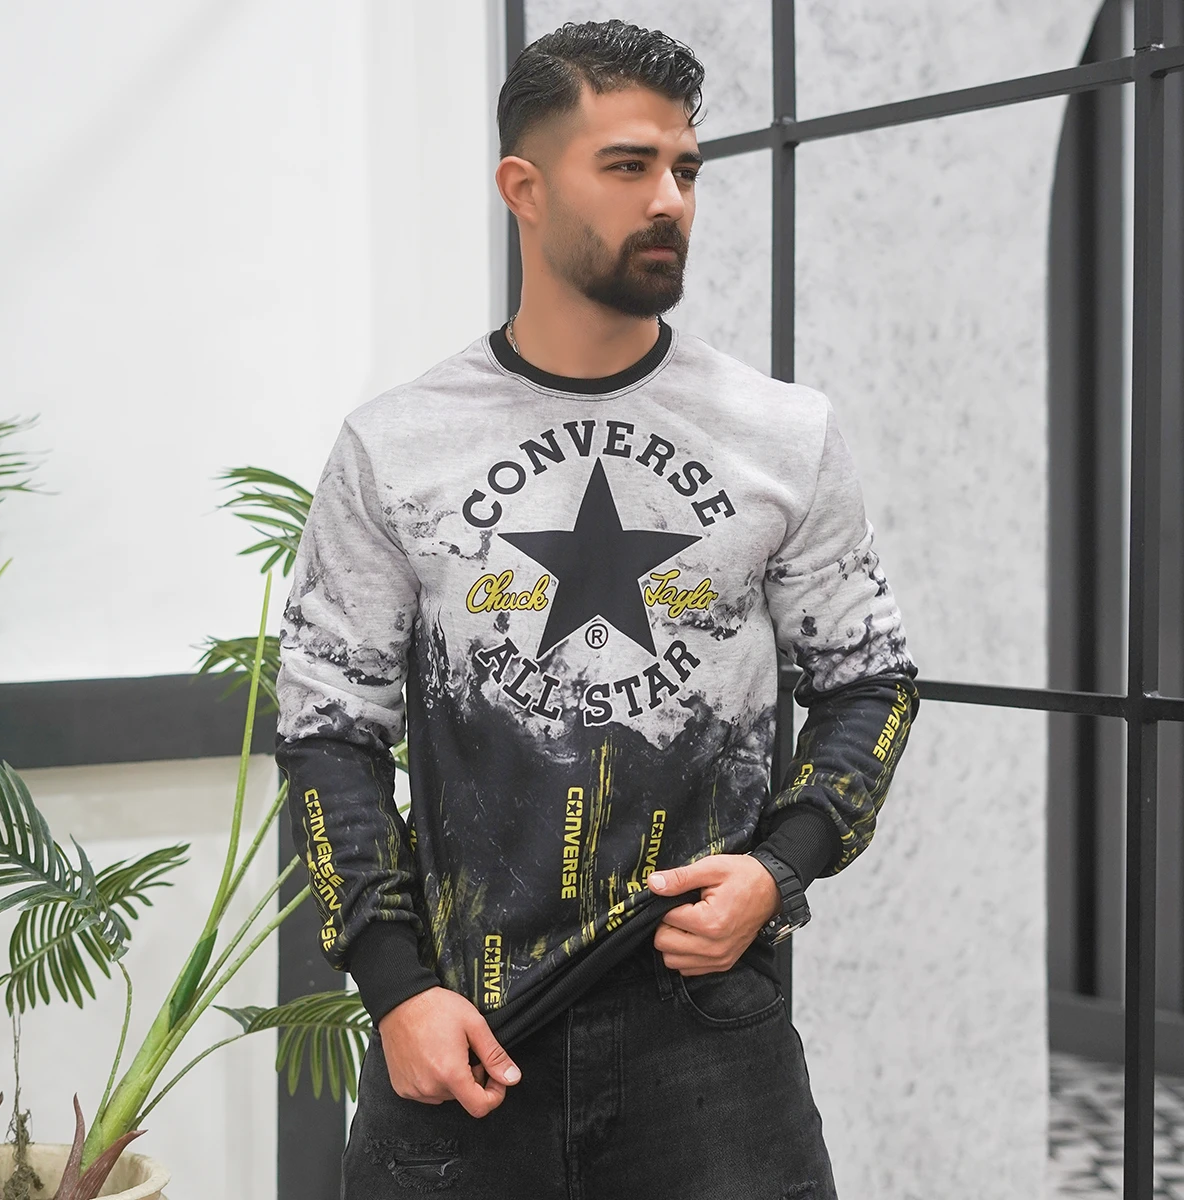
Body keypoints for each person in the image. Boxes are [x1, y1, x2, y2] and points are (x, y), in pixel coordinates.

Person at [275, 17, 918, 1200]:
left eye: (685, 169)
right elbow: (329, 734)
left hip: (712, 1031)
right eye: (628, 166)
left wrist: (778, 871)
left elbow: (869, 684)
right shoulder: (396, 447)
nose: (669, 200)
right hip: (465, 1031)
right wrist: (397, 989)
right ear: (523, 188)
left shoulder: (784, 435)